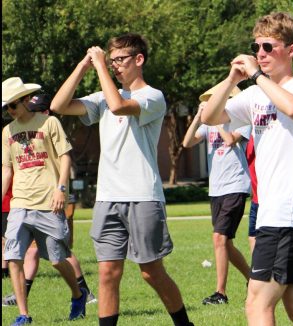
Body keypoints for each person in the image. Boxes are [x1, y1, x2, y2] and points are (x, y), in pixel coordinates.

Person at [200, 12, 293, 326]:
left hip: (287, 214)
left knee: (256, 304)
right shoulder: (253, 94)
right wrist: (231, 80)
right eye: (256, 47)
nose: (260, 53)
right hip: (277, 215)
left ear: (290, 50)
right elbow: (210, 118)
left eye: (268, 46)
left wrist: (255, 77)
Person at [50, 33, 193, 326]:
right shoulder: (102, 97)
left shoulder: (152, 96)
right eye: (111, 60)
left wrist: (101, 65)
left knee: (150, 271)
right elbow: (59, 105)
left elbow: (118, 107)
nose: (114, 66)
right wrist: (83, 66)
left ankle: (183, 324)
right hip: (107, 197)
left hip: (143, 196)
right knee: (107, 273)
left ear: (138, 60)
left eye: (120, 60)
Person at [2, 77, 87, 325]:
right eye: (6, 107)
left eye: (13, 105)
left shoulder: (50, 123)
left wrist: (61, 189)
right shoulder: (7, 131)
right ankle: (23, 314)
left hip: (49, 202)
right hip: (20, 202)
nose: (10, 111)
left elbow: (65, 158)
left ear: (26, 100)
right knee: (14, 258)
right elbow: (7, 170)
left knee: (58, 259)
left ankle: (78, 294)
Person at [182, 85, 251, 305]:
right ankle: (252, 278)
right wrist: (197, 118)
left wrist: (217, 121)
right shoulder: (209, 125)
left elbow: (231, 140)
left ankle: (220, 293)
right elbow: (187, 142)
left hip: (236, 185)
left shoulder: (241, 120)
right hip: (216, 189)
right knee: (226, 244)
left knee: (219, 238)